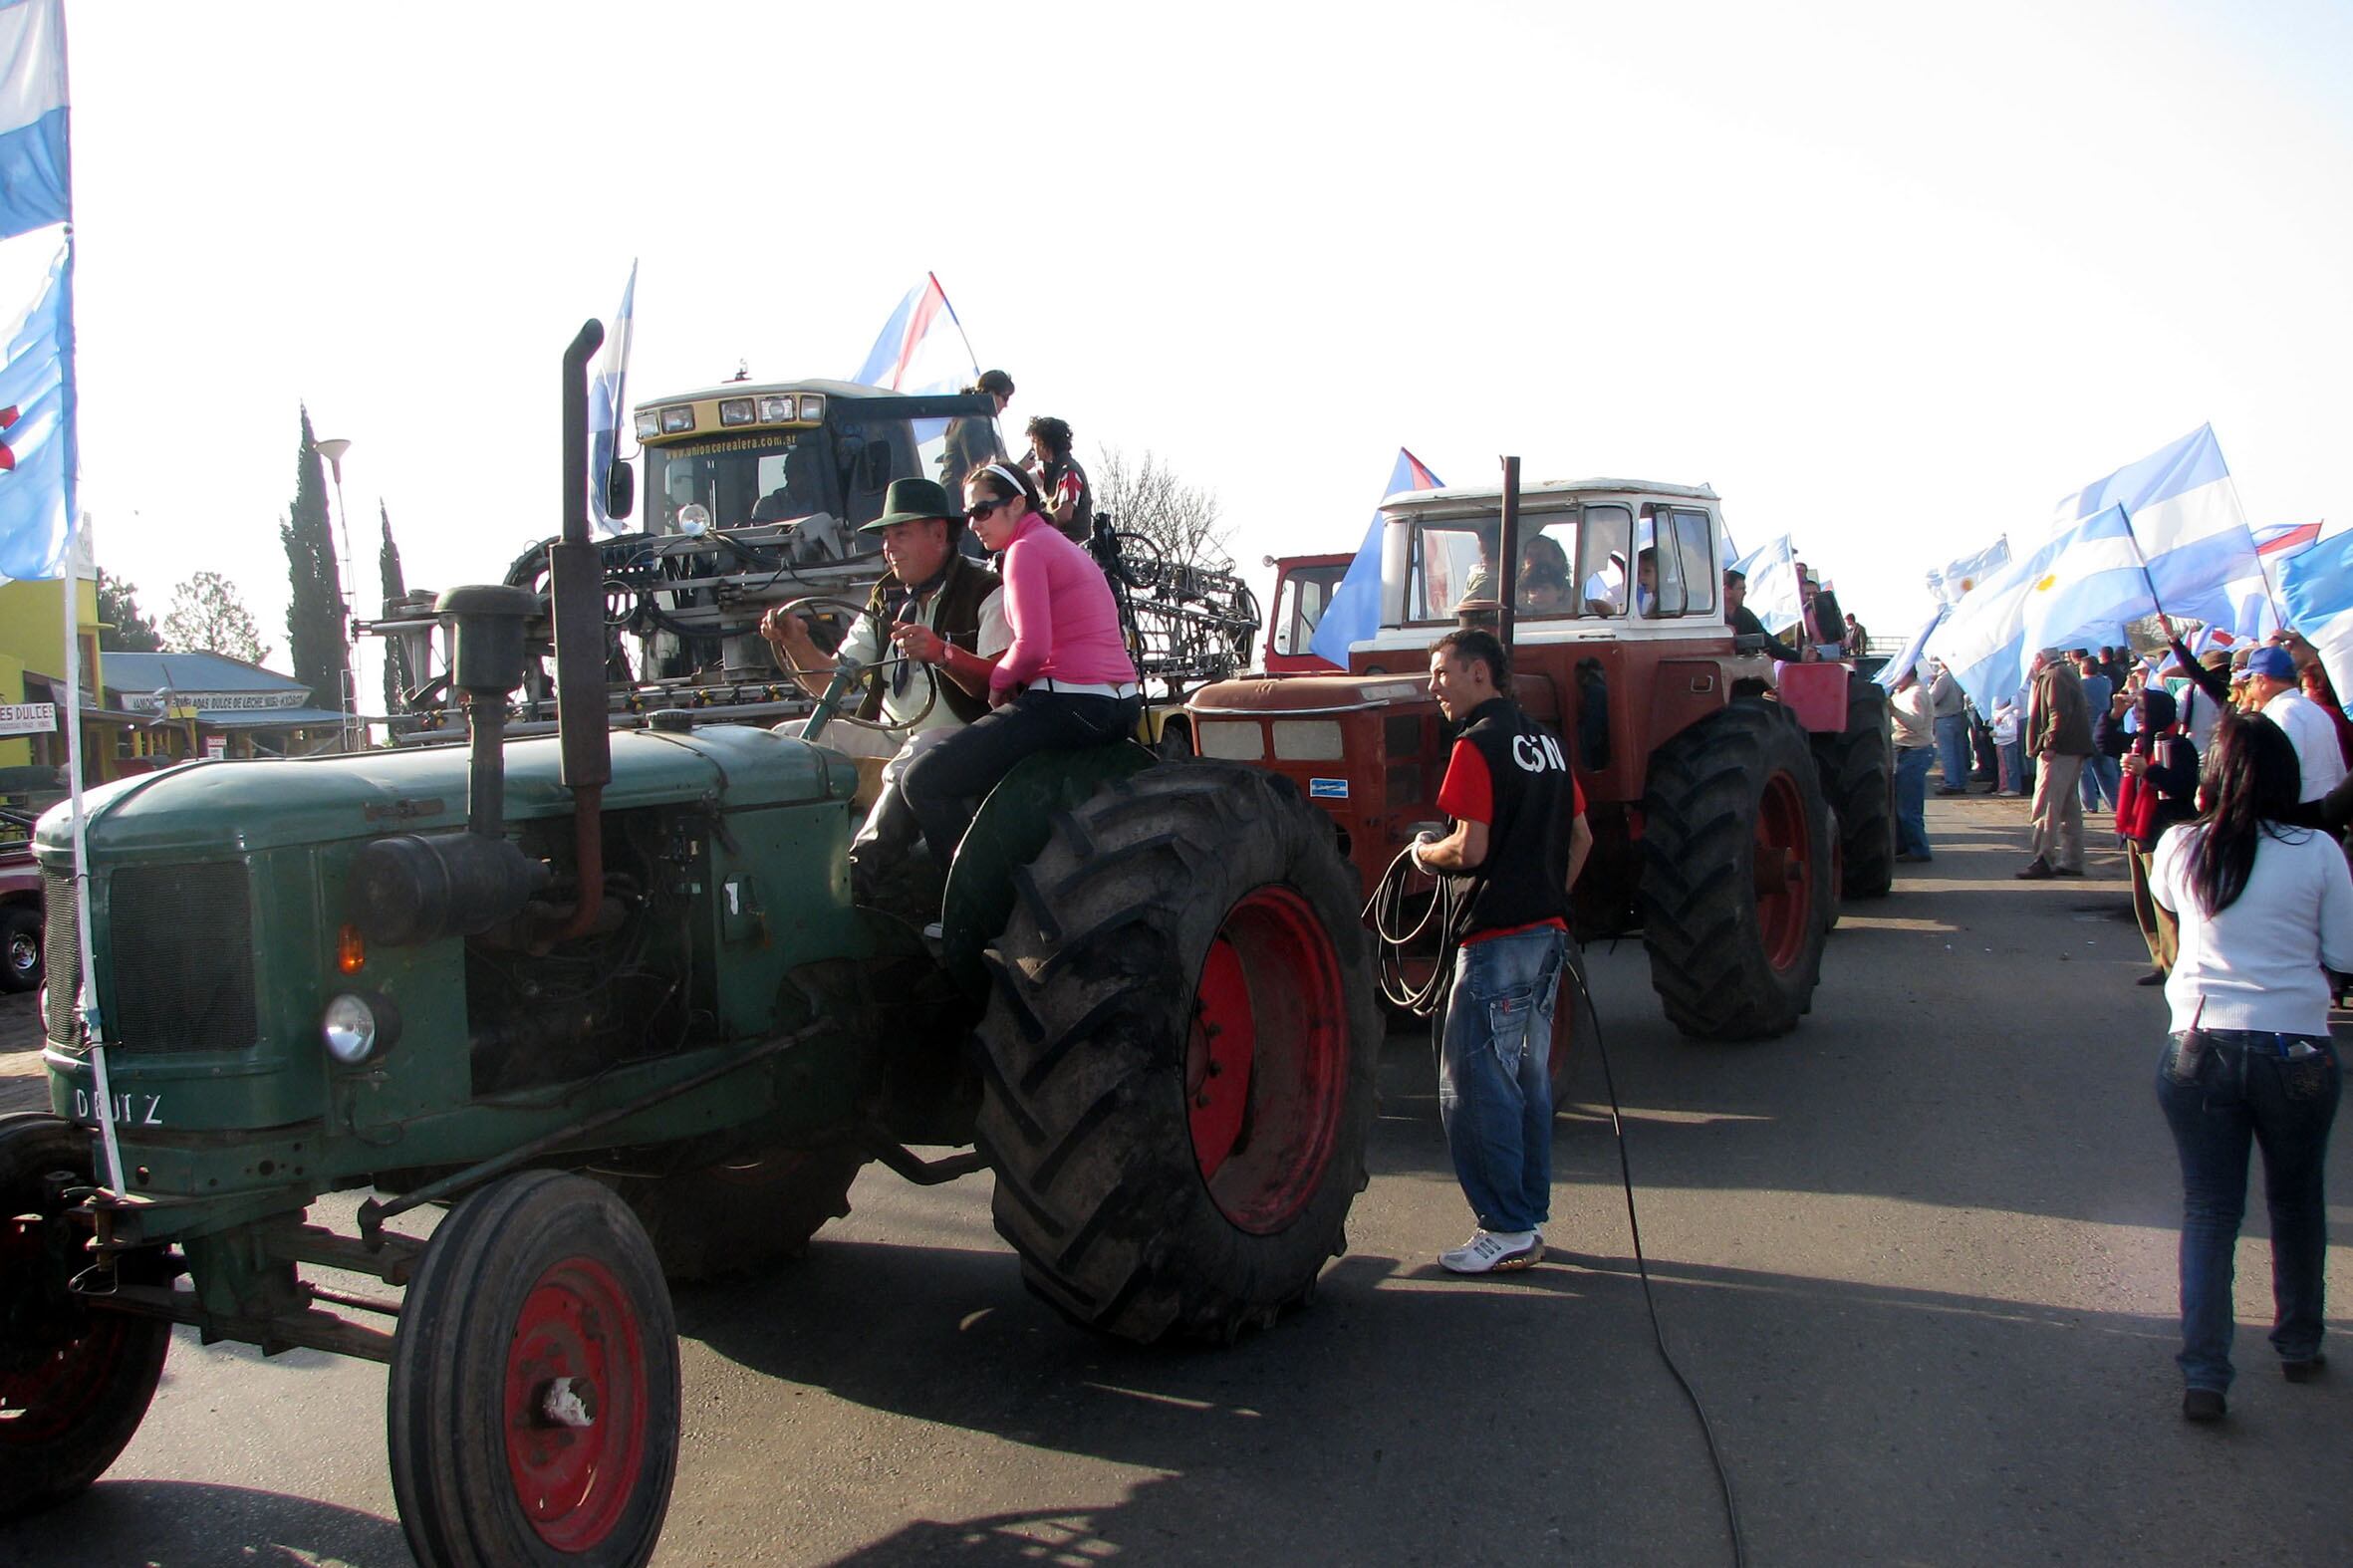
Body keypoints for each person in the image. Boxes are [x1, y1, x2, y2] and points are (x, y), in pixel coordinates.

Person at [2149, 713, 2350, 1422]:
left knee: (2209, 1212)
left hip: (2199, 1044)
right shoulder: (2319, 851)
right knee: (2296, 1204)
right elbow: (2345, 954)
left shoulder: (2180, 846)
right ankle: (2297, 1342)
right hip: (2295, 1046)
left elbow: (2171, 907)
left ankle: (2205, 1374)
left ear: (2213, 775)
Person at [1411, 628, 1590, 1274]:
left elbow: (1470, 848)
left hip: (1494, 943)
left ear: (1479, 673)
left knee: (1472, 1086)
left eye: (1441, 672)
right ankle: (1527, 1214)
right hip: (1549, 939)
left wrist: (1423, 853)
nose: (1433, 686)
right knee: (1527, 1079)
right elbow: (1583, 838)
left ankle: (1505, 1226)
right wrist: (1546, 896)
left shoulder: (1476, 745)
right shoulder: (1547, 744)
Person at [760, 478, 1008, 895]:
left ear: (939, 533)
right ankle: (780, 864)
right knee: (788, 741)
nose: (889, 547)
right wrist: (797, 642)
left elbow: (998, 687)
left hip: (965, 745)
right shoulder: (886, 597)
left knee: (916, 753)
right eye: (886, 537)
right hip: (893, 736)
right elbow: (832, 681)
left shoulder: (987, 590)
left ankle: (861, 873)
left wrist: (941, 654)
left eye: (901, 534)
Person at [899, 463, 1142, 874]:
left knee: (923, 781)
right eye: (968, 514)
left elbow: (1031, 648)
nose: (973, 524)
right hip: (1119, 706)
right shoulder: (1060, 546)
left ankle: (979, 901)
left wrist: (997, 684)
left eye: (982, 510)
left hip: (1070, 704)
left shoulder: (1024, 551)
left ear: (1017, 503)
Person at [2117, 686, 2200, 985]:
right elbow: (2103, 741)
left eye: (2141, 710)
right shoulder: (2139, 743)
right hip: (2137, 830)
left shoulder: (2177, 745)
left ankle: (2176, 965)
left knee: (2166, 904)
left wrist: (2148, 772)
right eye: (2135, 711)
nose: (2137, 716)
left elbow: (2183, 786)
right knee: (2145, 903)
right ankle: (2159, 959)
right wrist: (2115, 714)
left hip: (2163, 830)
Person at [2240, 644, 2345, 824]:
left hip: (2300, 816)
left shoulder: (2281, 714)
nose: (2248, 688)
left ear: (2262, 680)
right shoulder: (2314, 709)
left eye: (2249, 681)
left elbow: (2281, 773)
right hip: (2328, 810)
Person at [2018, 648, 2093, 879]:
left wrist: (2049, 743)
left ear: (2039, 658)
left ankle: (2043, 858)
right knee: (2069, 808)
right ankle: (2072, 860)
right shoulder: (2064, 672)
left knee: (2046, 805)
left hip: (2060, 751)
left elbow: (2057, 712)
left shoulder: (2053, 676)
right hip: (2072, 749)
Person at [938, 369, 1014, 503]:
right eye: (1005, 397)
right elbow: (984, 472)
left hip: (963, 501)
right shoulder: (974, 423)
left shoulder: (975, 420)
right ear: (991, 394)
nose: (1006, 404)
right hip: (962, 506)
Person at [1889, 663, 1937, 863]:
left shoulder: (1915, 693)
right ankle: (1905, 845)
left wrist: (1893, 711)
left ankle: (1919, 849)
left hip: (1915, 752)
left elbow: (1916, 723)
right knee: (1902, 803)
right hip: (1907, 751)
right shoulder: (1905, 691)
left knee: (1908, 807)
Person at [1021, 414, 1092, 543]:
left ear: (1042, 443)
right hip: (1058, 540)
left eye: (1034, 443)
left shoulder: (1069, 472)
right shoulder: (1052, 470)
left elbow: (1064, 515)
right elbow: (1021, 479)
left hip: (1071, 543)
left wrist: (1035, 524)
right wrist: (1023, 465)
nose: (1032, 449)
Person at [1722, 568, 1808, 662]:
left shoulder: (1745, 615)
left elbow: (1767, 642)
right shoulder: (1710, 618)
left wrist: (1799, 657)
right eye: (1741, 589)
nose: (1745, 592)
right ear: (1727, 591)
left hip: (1743, 669)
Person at [2076, 653, 2120, 811]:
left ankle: (2089, 804)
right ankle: (2114, 802)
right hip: (2103, 727)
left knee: (2084, 770)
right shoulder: (2106, 683)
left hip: (2085, 729)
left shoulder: (2079, 685)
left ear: (2082, 668)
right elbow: (2103, 676)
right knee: (2106, 768)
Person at [1929, 660, 1970, 795]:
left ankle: (1952, 783)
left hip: (1945, 717)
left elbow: (1932, 698)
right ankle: (1960, 781)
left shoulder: (1943, 679)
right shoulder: (1959, 677)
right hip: (1958, 715)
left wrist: (1931, 685)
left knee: (1948, 754)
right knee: (1959, 752)